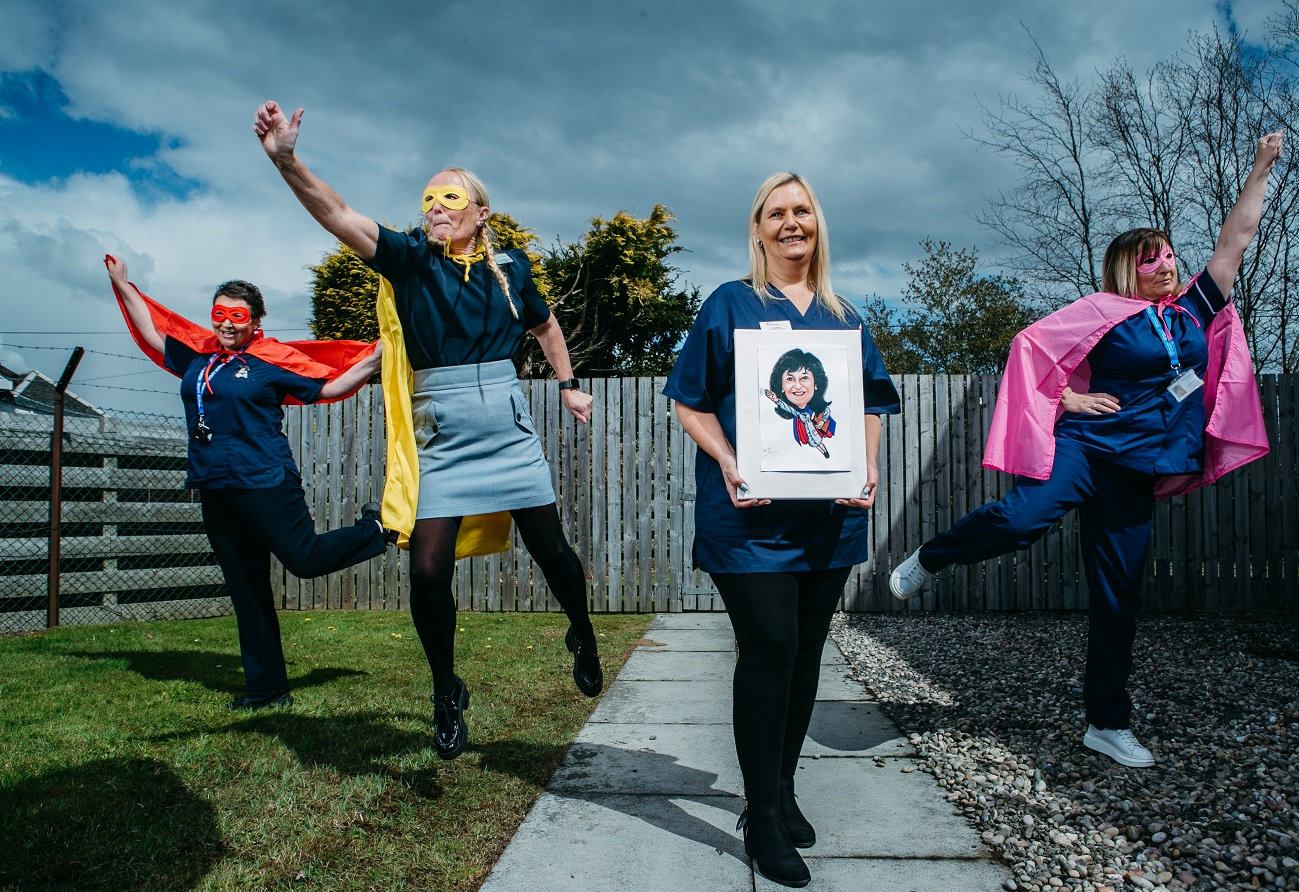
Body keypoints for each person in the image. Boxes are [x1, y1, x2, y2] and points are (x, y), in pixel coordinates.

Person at [890, 131, 1283, 769]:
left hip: (1138, 470)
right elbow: (1031, 352)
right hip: (1085, 450)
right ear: (1129, 266)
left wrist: (1261, 167)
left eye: (1170, 255)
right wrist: (1067, 402)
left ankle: (1106, 722)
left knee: (1118, 595)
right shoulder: (1100, 312)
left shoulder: (1191, 312)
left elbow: (1234, 240)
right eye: (1153, 258)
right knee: (1020, 520)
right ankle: (931, 559)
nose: (1167, 264)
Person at [252, 100, 603, 761]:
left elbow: (545, 326)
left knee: (551, 549)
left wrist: (567, 384)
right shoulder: (410, 261)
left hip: (504, 424)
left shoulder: (514, 269)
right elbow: (338, 214)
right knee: (427, 570)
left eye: (449, 198)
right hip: (442, 435)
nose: (435, 207)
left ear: (479, 214)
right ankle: (447, 691)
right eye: (428, 199)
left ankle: (581, 632)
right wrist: (288, 160)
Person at [664, 173, 900, 888]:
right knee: (768, 645)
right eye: (777, 214)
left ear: (816, 225)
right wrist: (731, 460)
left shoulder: (843, 315)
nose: (791, 223)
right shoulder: (728, 304)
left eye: (802, 211)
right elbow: (688, 400)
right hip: (749, 521)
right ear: (759, 228)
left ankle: (783, 788)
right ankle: (760, 816)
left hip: (828, 522)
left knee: (801, 657)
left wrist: (867, 469)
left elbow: (870, 403)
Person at [105, 255, 390, 710]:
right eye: (219, 314)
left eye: (237, 316)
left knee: (306, 559)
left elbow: (330, 387)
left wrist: (376, 358)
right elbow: (154, 333)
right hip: (214, 486)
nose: (226, 323)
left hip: (265, 480)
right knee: (247, 590)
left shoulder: (268, 363)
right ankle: (266, 688)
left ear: (255, 321)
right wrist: (123, 284)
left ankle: (373, 531)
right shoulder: (199, 358)